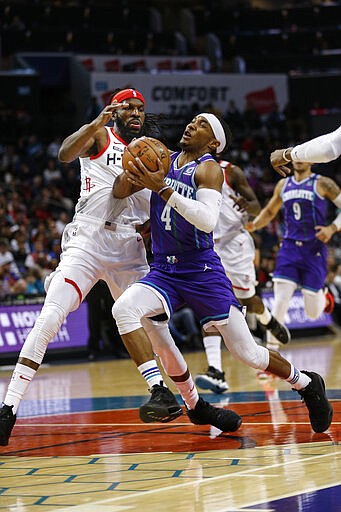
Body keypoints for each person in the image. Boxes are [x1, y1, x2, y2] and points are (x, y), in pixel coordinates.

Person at [112, 112, 333, 435]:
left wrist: (162, 190)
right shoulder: (161, 158)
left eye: (202, 124)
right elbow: (121, 192)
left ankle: (306, 383)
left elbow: (206, 220)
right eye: (193, 121)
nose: (191, 125)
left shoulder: (209, 168)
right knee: (124, 309)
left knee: (248, 353)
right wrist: (129, 173)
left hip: (201, 270)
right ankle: (170, 395)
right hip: (164, 270)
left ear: (214, 143)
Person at [0, 88, 171, 446]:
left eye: (140, 108)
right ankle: (8, 408)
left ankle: (175, 396)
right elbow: (65, 153)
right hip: (89, 240)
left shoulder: (153, 152)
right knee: (49, 317)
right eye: (128, 107)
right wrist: (97, 119)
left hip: (130, 246)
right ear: (116, 109)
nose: (136, 112)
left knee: (158, 332)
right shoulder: (100, 134)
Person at [195, 159, 290, 394]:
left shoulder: (231, 171)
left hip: (234, 243)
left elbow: (257, 208)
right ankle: (215, 370)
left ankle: (268, 320)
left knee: (248, 300)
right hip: (207, 246)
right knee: (209, 305)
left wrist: (245, 204)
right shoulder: (186, 170)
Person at [247, 160, 341, 349]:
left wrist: (332, 228)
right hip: (289, 248)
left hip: (314, 250)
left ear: (312, 159)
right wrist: (254, 225)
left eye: (303, 154)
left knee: (313, 313)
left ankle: (324, 298)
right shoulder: (284, 184)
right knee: (280, 300)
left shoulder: (323, 183)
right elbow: (270, 211)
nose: (298, 158)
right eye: (295, 154)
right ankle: (271, 354)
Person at [270, 125, 341, 176]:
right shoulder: (282, 184)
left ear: (312, 162)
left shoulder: (323, 183)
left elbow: (328, 149)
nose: (299, 162)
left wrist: (286, 155)